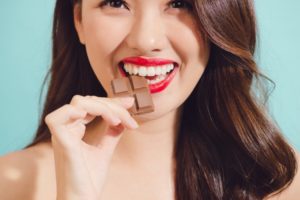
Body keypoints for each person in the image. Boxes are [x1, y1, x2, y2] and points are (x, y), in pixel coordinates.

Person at [0, 0, 299, 199]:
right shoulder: (11, 183)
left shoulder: (282, 178)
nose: (145, 39)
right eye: (116, 2)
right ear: (78, 20)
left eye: (179, 2)